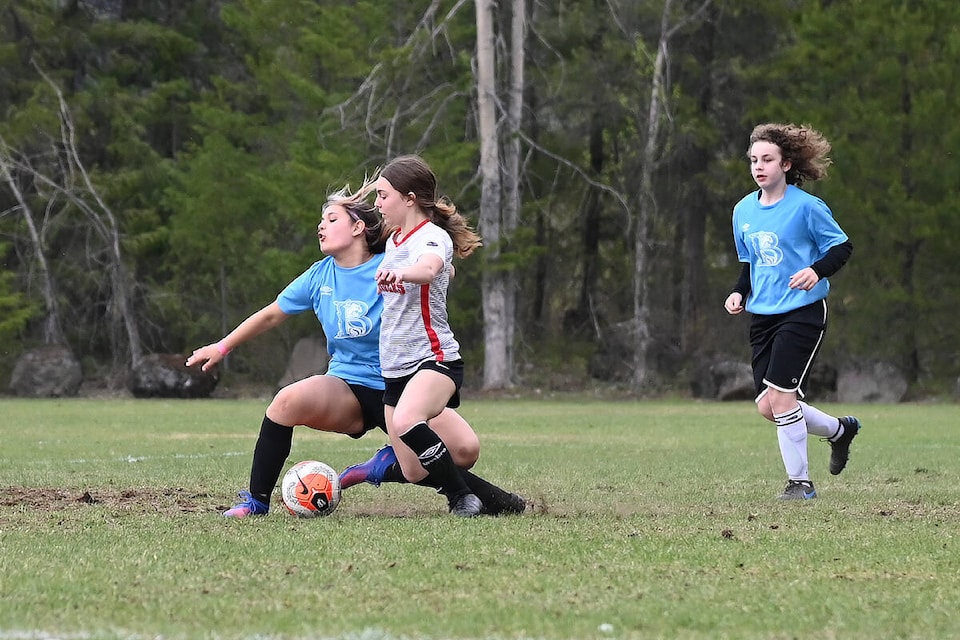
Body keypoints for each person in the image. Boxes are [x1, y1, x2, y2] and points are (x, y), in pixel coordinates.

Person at [186, 186, 524, 518]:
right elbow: (273, 313)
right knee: (284, 403)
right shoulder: (320, 276)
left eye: (331, 219)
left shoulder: (392, 261)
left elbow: (434, 265)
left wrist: (437, 269)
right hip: (347, 385)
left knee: (463, 450)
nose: (321, 226)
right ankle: (256, 503)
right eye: (321, 220)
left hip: (404, 382)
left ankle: (379, 468)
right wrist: (222, 346)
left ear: (358, 227)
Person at [723, 123, 861, 501]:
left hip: (803, 312)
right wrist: (738, 293)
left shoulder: (807, 207)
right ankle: (838, 431)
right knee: (769, 407)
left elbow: (841, 247)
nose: (759, 166)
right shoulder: (743, 211)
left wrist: (816, 270)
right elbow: (749, 263)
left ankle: (800, 484)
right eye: (754, 160)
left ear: (785, 164)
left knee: (783, 399)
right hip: (763, 316)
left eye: (767, 159)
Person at [349, 154, 486, 517]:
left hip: (434, 359)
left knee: (409, 421)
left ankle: (461, 499)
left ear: (409, 198)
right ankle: (495, 503)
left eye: (383, 195)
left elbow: (428, 268)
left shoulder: (431, 236)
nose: (377, 204)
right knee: (417, 467)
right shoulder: (396, 241)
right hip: (394, 368)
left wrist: (406, 274)